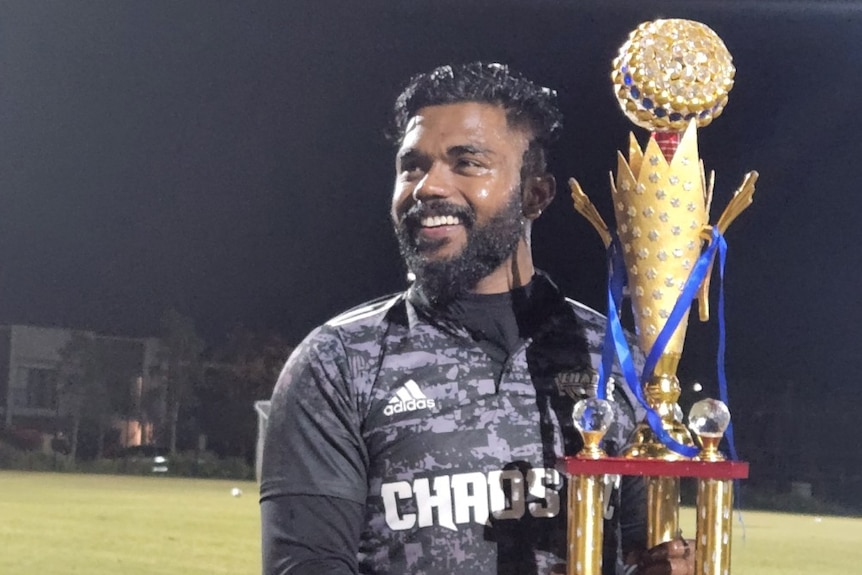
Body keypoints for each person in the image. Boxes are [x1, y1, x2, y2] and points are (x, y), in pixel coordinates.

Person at [260, 62, 693, 575]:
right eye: (412, 166)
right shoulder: (338, 362)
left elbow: (637, 554)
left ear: (536, 194)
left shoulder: (612, 358)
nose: (428, 187)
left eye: (466, 163)